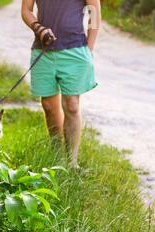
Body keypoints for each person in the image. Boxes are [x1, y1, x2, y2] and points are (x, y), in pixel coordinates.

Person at [21, 0, 101, 167]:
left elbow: (94, 12)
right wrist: (39, 28)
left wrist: (89, 49)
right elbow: (26, 10)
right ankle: (56, 156)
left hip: (75, 49)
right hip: (43, 49)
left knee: (72, 105)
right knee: (49, 106)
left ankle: (72, 163)